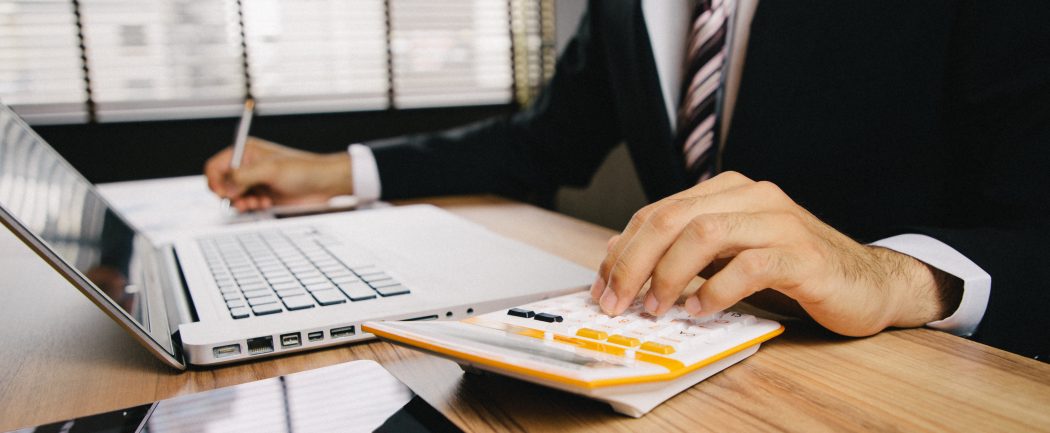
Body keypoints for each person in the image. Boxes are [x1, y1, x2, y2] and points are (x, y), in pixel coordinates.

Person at [204, 1, 1050, 360]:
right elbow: (537, 144)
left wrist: (886, 273)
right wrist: (337, 170)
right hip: (675, 358)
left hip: (913, 375)